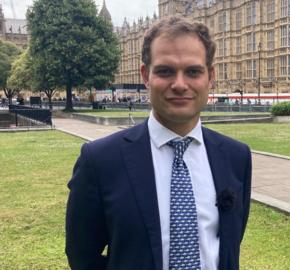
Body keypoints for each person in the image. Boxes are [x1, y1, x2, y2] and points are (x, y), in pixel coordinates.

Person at [65, 16, 252, 270]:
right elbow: (82, 256)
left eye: (193, 71)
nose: (179, 84)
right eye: (165, 71)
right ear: (146, 75)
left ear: (210, 77)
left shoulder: (236, 156)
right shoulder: (100, 160)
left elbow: (230, 244)